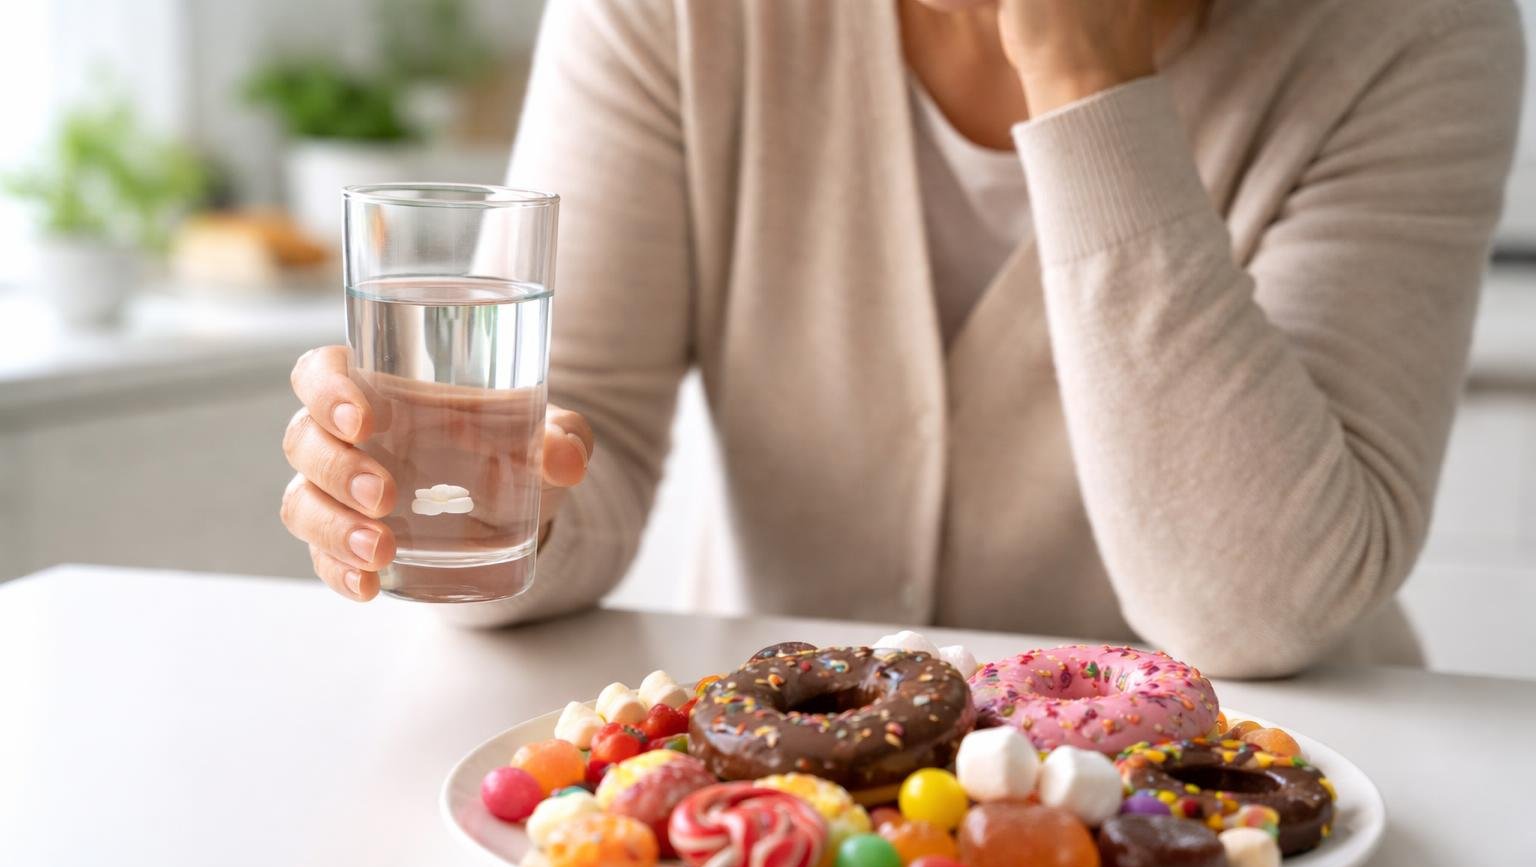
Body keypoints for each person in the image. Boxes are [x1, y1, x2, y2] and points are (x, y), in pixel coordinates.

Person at [279, 0, 1524, 678]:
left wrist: (1080, 73)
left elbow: (1263, 609)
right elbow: (575, 456)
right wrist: (457, 494)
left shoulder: (1418, 31)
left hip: (1252, 854)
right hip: (779, 837)